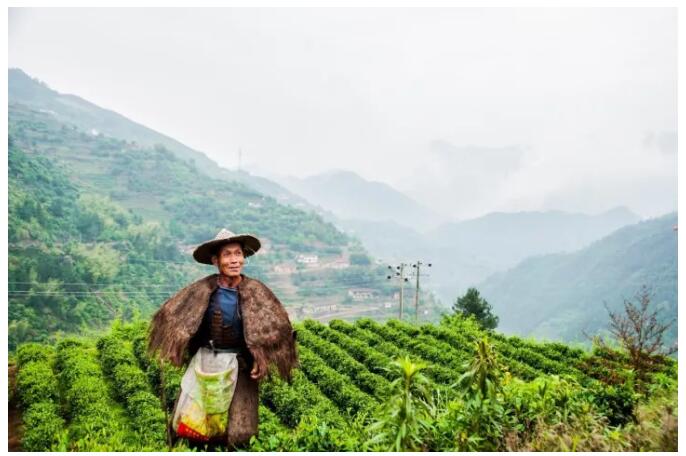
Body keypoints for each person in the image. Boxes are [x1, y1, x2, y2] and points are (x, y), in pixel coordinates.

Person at [147, 229, 298, 449]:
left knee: (241, 430)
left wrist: (261, 359)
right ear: (215, 260)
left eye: (238, 254)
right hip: (206, 362)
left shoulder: (257, 291)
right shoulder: (201, 290)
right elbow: (172, 317)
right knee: (195, 425)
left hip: (242, 366)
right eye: (227, 255)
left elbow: (279, 329)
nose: (234, 260)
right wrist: (174, 347)